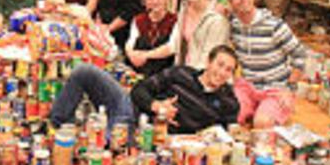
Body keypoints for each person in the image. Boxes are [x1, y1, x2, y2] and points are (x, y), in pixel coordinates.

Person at [50, 45, 240, 135]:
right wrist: (155, 105)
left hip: (149, 137)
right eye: (220, 64)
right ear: (208, 62)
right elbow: (139, 89)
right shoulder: (181, 73)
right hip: (129, 108)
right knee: (84, 71)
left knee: (105, 147)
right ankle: (57, 126)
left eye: (228, 70)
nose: (222, 72)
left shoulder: (228, 101)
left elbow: (227, 135)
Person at [227, 0, 307, 129]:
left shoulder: (274, 25)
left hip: (276, 88)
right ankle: (254, 108)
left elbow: (300, 55)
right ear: (231, 3)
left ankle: (270, 111)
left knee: (262, 123)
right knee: (231, 117)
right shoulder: (234, 23)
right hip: (248, 86)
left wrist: (288, 89)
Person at [164, 0, 229, 69]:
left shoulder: (216, 18)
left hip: (204, 75)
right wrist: (145, 54)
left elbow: (209, 59)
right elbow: (173, 46)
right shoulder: (183, 10)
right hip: (182, 69)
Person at [124, 0, 177, 77]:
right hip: (139, 70)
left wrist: (145, 55)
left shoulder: (175, 20)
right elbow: (130, 43)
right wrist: (131, 54)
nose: (155, 1)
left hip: (164, 73)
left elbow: (171, 48)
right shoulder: (138, 20)